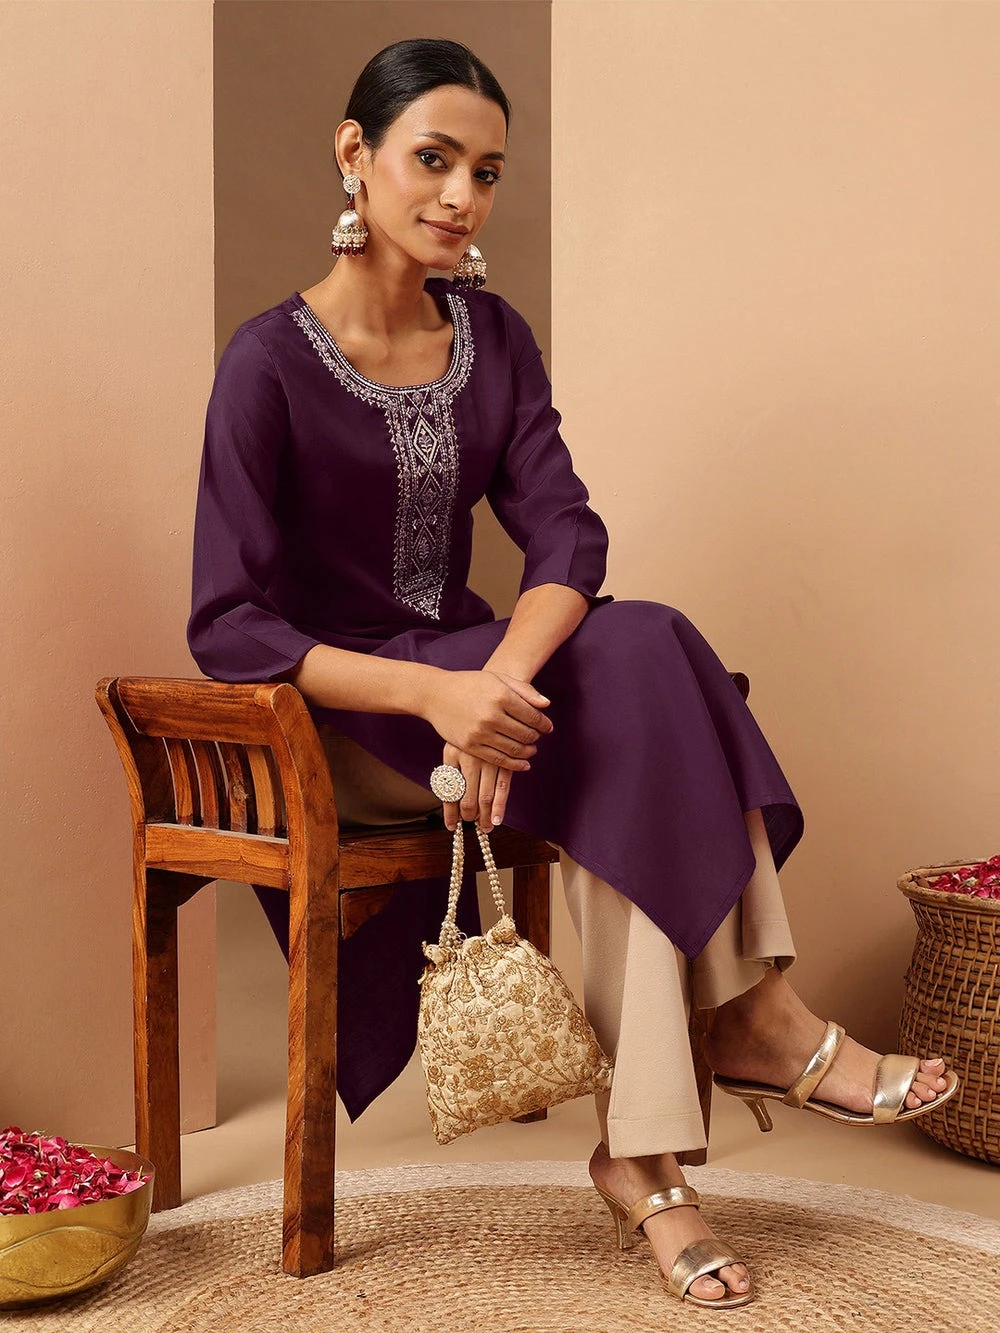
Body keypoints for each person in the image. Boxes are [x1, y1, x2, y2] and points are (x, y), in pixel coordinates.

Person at [187, 37, 957, 1310]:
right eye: (433, 159)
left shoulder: (492, 337)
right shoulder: (265, 362)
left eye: (486, 172)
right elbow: (227, 623)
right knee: (633, 699)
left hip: (485, 689)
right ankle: (736, 1048)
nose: (461, 197)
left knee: (640, 649)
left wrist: (495, 687)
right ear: (354, 155)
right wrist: (437, 697)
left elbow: (567, 537)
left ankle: (653, 1149)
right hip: (349, 720)